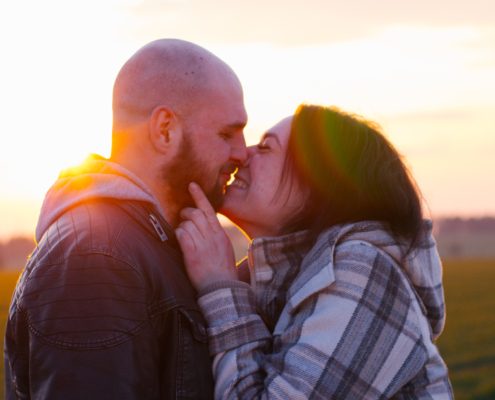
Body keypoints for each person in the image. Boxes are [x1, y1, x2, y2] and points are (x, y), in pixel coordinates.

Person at [4, 39, 248, 399]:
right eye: (226, 134)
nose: (242, 152)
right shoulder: (98, 257)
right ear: (165, 129)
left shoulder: (147, 244)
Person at [175, 104, 454, 399]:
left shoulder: (366, 271)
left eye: (267, 148)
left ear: (319, 182)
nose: (243, 154)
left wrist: (220, 287)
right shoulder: (287, 280)